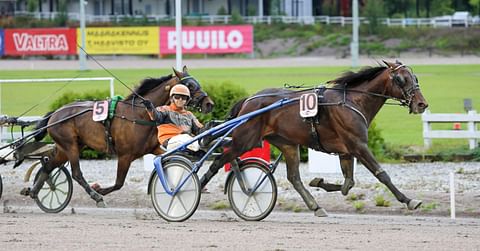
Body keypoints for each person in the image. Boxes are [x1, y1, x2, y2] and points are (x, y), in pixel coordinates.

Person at [143, 84, 203, 151]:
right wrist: (150, 107)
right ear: (172, 98)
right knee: (186, 138)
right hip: (169, 140)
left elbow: (200, 129)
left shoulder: (189, 115)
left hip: (187, 141)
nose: (180, 99)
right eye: (177, 97)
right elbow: (156, 117)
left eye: (183, 98)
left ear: (187, 100)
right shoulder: (164, 109)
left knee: (203, 141)